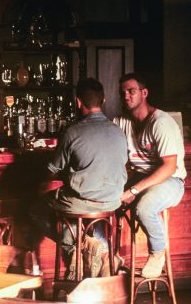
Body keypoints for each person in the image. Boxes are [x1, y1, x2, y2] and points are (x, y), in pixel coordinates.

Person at [29, 78, 128, 279]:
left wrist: (41, 177)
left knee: (37, 210)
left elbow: (52, 168)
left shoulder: (73, 132)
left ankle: (77, 249)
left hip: (82, 203)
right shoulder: (118, 132)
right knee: (79, 218)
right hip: (112, 202)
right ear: (104, 100)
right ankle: (100, 251)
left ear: (78, 102)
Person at [114, 73, 186, 279]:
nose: (126, 96)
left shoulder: (161, 122)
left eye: (131, 91)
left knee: (144, 207)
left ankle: (157, 253)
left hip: (170, 181)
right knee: (103, 198)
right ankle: (107, 254)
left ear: (144, 93)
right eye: (122, 93)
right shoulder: (121, 121)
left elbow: (169, 167)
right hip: (139, 177)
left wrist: (133, 190)